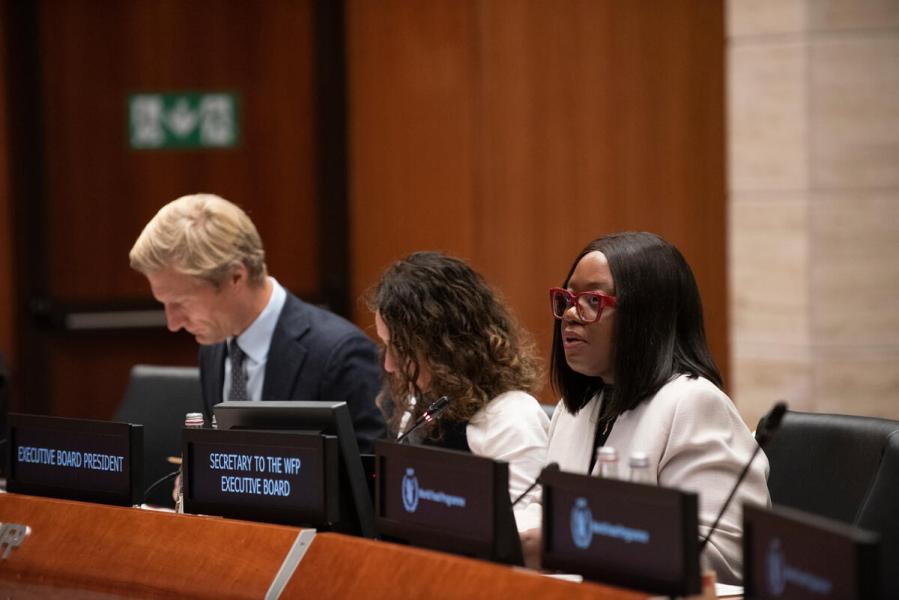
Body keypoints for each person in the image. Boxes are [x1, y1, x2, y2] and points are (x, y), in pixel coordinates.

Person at [530, 232, 769, 583]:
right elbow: (545, 512)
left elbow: (731, 554)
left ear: (646, 317)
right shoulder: (577, 407)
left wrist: (587, 543)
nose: (569, 314)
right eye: (567, 298)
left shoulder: (693, 404)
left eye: (592, 300)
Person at [129, 193, 386, 452]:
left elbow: (369, 469)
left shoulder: (340, 355)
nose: (173, 324)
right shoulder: (214, 345)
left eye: (182, 303)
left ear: (235, 278)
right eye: (164, 304)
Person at [369, 251, 549, 532]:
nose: (389, 365)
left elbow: (522, 537)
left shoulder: (512, 419)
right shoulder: (421, 404)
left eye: (401, 348)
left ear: (445, 345)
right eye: (386, 344)